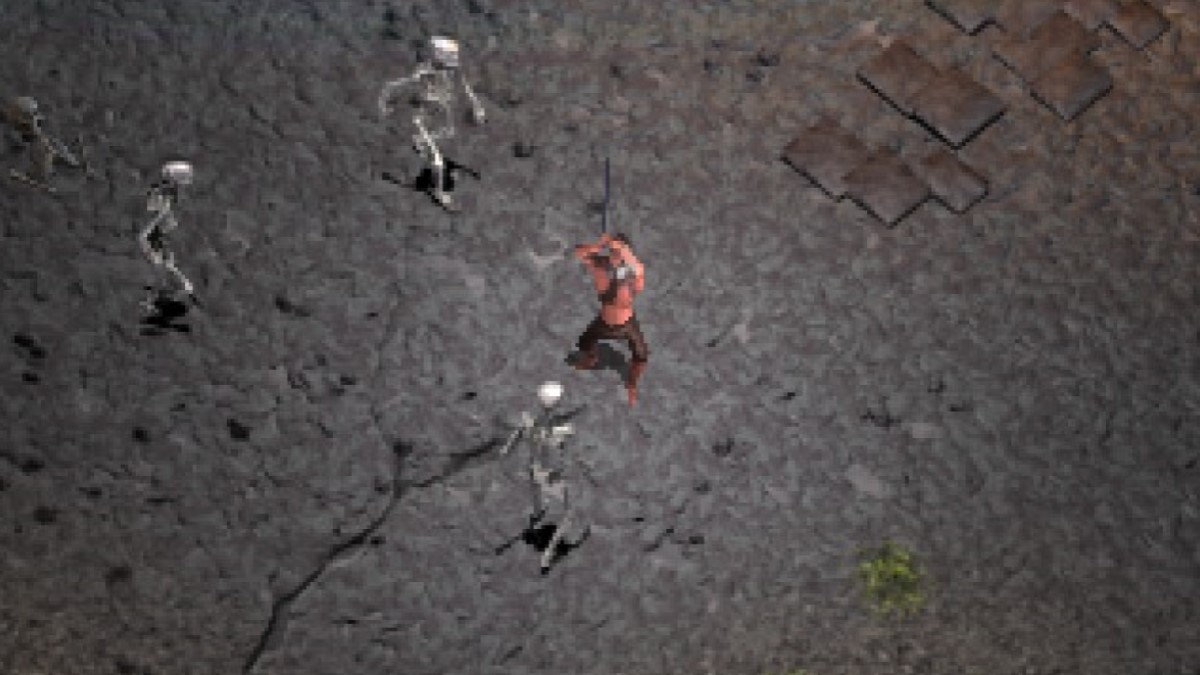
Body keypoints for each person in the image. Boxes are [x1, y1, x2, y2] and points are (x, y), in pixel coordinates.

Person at [572, 232, 648, 406]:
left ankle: (632, 385)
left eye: (619, 252)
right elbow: (579, 253)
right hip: (604, 321)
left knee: (641, 356)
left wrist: (620, 247)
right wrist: (599, 244)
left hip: (626, 323)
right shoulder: (601, 265)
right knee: (584, 342)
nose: (616, 256)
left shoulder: (633, 272)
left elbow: (637, 267)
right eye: (613, 252)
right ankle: (591, 358)